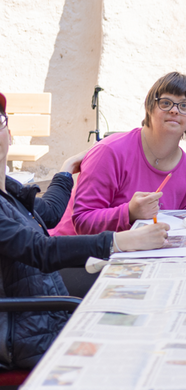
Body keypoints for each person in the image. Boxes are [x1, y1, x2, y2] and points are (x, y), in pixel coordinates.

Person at [0, 91, 168, 370]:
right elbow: (42, 251)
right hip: (27, 332)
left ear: (8, 131)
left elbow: (49, 213)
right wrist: (119, 240)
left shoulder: (10, 190)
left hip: (46, 310)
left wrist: (66, 171)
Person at [52, 72, 186, 237]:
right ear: (149, 106)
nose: (175, 110)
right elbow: (82, 222)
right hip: (77, 255)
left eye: (184, 106)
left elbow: (182, 229)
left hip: (141, 258)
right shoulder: (110, 152)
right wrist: (129, 213)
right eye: (166, 103)